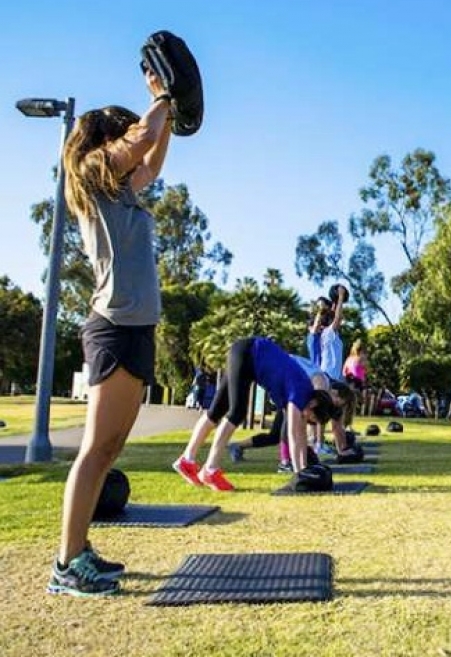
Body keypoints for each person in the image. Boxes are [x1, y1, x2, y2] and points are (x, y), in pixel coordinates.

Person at [47, 72, 174, 597]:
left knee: (111, 446)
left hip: (136, 326)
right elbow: (140, 139)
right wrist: (162, 97)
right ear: (105, 138)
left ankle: (81, 550)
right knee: (96, 448)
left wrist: (173, 115)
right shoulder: (91, 167)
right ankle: (66, 563)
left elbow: (152, 156)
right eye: (121, 132)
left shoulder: (121, 187)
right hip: (114, 324)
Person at [173, 337, 340, 491]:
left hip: (247, 356)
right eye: (309, 418)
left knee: (216, 411)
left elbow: (300, 433)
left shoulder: (307, 399)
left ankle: (186, 460)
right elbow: (293, 436)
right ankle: (210, 469)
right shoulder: (299, 394)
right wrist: (300, 474)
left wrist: (304, 469)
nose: (305, 420)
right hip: (247, 353)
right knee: (237, 412)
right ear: (313, 404)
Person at [319, 285, 348, 383]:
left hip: (333, 377)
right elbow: (338, 317)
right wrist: (340, 296)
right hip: (329, 376)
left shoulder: (330, 335)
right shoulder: (328, 332)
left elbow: (334, 315)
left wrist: (335, 302)